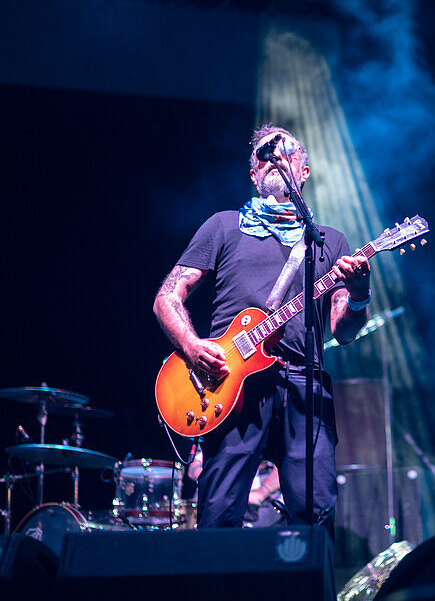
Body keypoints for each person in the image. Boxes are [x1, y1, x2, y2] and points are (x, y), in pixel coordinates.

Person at [153, 124, 370, 534]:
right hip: (230, 386)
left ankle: (308, 598)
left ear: (303, 171)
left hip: (304, 387)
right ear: (253, 174)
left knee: (315, 515)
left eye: (285, 152)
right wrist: (192, 345)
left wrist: (359, 293)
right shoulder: (223, 226)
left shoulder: (331, 242)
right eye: (264, 154)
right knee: (219, 514)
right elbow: (167, 296)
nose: (274, 158)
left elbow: (344, 331)